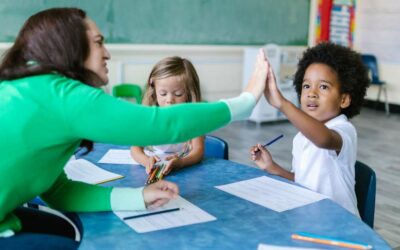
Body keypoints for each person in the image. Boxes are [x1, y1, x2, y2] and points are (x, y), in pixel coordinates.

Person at [0, 7, 269, 247]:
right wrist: (244, 102)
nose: (107, 53)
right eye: (98, 42)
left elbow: (59, 191)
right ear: (69, 47)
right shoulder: (61, 94)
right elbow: (161, 124)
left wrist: (139, 197)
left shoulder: (34, 89)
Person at [250, 42, 370, 215]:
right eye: (306, 86)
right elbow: (302, 181)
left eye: (323, 86)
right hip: (310, 217)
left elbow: (324, 139)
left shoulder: (344, 130)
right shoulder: (302, 137)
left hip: (340, 224)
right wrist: (273, 167)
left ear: (344, 99)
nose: (312, 93)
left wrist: (282, 104)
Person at [131, 57, 204, 177]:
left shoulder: (193, 119)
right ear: (154, 91)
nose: (170, 100)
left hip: (184, 174)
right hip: (150, 173)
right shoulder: (149, 117)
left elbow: (198, 152)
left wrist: (181, 162)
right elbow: (135, 149)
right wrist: (146, 161)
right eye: (163, 94)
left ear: (189, 93)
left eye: (178, 94)